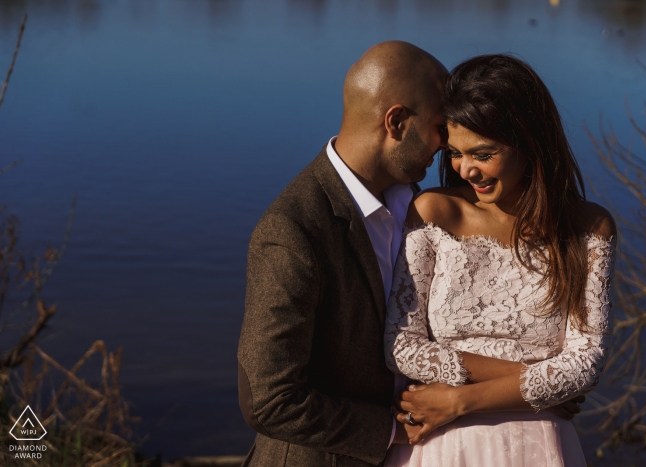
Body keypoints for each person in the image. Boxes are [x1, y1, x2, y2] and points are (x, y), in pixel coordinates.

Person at [383, 54, 617, 466]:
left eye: (483, 153)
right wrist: (543, 381)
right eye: (455, 153)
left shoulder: (589, 229)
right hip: (444, 446)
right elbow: (401, 346)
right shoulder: (434, 211)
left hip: (538, 444)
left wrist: (460, 401)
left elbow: (585, 364)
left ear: (529, 141)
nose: (466, 169)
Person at [237, 41, 449, 466]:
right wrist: (391, 430)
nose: (445, 145)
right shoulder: (293, 231)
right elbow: (268, 400)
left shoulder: (421, 206)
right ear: (397, 122)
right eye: (440, 127)